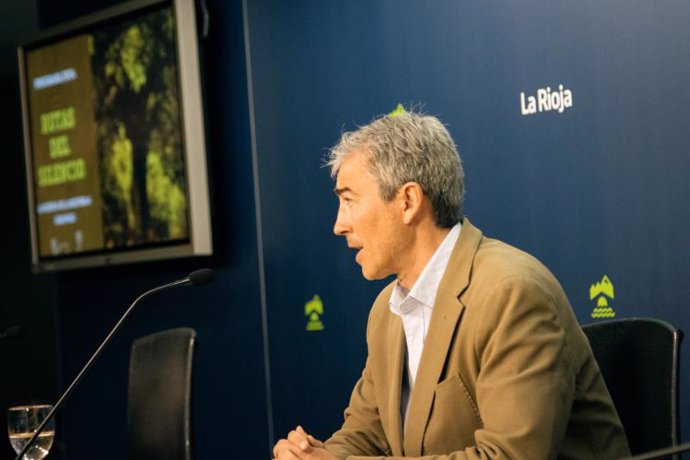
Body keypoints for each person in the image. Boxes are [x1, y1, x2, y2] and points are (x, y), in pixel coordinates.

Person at [273, 110, 630, 459]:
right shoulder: (387, 311)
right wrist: (312, 455)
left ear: (408, 202)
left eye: (349, 200)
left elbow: (510, 455)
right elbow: (366, 434)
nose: (339, 225)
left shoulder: (510, 293)